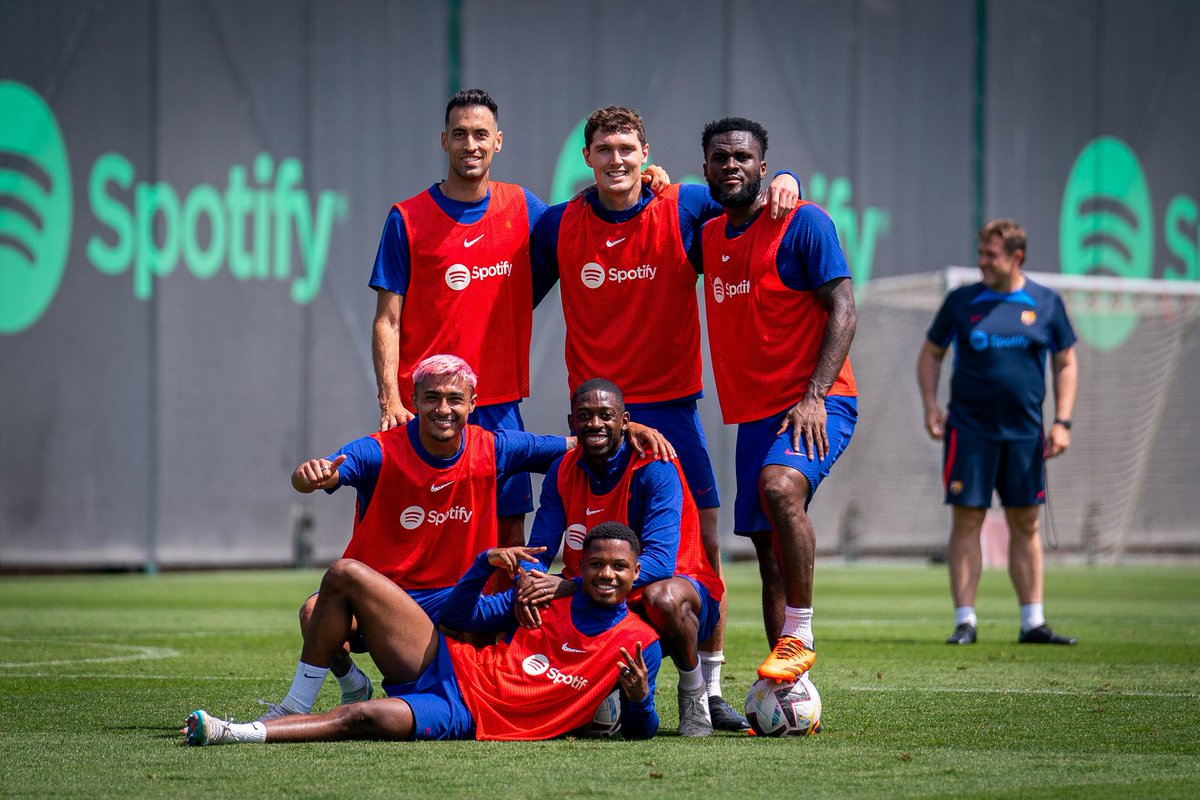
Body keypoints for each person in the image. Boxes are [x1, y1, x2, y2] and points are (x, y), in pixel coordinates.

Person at [529, 105, 800, 730]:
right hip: (597, 418)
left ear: (645, 152)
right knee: (587, 545)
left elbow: (747, 197)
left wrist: (789, 179)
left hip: (673, 410)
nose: (617, 160)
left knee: (701, 553)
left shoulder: (683, 204)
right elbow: (509, 295)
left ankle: (706, 689)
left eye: (628, 148)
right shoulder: (561, 224)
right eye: (605, 149)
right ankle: (582, 678)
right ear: (587, 157)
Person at [285, 354, 671, 714]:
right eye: (432, 397)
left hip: (459, 600)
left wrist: (628, 425)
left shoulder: (494, 447)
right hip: (388, 598)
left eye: (455, 399)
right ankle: (345, 687)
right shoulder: (381, 450)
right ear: (415, 400)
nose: (443, 409)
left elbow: (583, 440)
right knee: (310, 611)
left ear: (473, 404)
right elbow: (331, 471)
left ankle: (581, 693)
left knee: (534, 597)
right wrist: (311, 478)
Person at [371, 92, 667, 551]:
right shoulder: (407, 219)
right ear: (444, 140)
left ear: (498, 142)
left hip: (499, 401)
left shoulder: (522, 208)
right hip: (430, 405)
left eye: (481, 135)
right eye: (461, 134)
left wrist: (647, 183)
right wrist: (391, 398)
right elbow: (387, 320)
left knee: (508, 530)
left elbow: (587, 215)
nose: (471, 144)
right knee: (422, 529)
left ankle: (500, 624)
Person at [182, 524, 661, 744]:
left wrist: (640, 702)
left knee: (360, 718)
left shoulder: (641, 641)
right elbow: (455, 620)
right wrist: (481, 565)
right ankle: (297, 702)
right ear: (582, 566)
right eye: (596, 563)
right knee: (346, 573)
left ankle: (233, 733)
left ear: (635, 571)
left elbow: (642, 733)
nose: (606, 574)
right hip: (444, 660)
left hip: (464, 712)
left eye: (619, 567)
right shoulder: (546, 596)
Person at [697, 117, 858, 686]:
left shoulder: (802, 221)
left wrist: (815, 394)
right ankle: (788, 688)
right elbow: (657, 204)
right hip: (755, 416)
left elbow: (844, 306)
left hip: (817, 401)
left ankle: (801, 631)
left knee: (779, 487)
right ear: (707, 169)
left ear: (763, 168)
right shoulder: (709, 235)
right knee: (765, 553)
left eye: (743, 157)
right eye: (720, 158)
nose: (731, 166)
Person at [520, 379, 725, 736]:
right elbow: (538, 549)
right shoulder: (561, 470)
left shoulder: (654, 467)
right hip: (596, 592)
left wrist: (570, 585)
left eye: (605, 415)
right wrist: (528, 578)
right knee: (522, 596)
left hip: (675, 588)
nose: (595, 424)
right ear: (572, 424)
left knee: (664, 598)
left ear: (625, 421)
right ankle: (544, 697)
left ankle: (694, 696)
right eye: (585, 416)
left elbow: (660, 562)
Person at [917, 218, 1078, 646]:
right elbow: (931, 355)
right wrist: (931, 405)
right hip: (968, 433)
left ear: (1016, 257)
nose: (982, 261)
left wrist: (1062, 421)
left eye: (990, 254)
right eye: (981, 252)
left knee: (1025, 523)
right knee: (967, 520)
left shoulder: (1045, 302)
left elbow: (1066, 361)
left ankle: (1033, 622)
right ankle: (966, 620)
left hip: (1026, 435)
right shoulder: (961, 301)